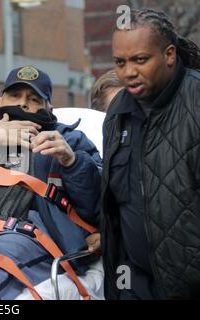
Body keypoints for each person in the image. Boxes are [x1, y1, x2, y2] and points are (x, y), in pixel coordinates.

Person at [0, 65, 103, 299]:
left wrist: (72, 162)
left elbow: (98, 206)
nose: (22, 104)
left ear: (49, 108)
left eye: (33, 99)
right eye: (15, 95)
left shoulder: (70, 140)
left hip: (27, 238)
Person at [101, 9, 200, 299]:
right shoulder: (117, 111)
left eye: (139, 60)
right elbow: (115, 204)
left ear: (169, 55)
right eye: (120, 62)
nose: (128, 71)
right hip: (134, 285)